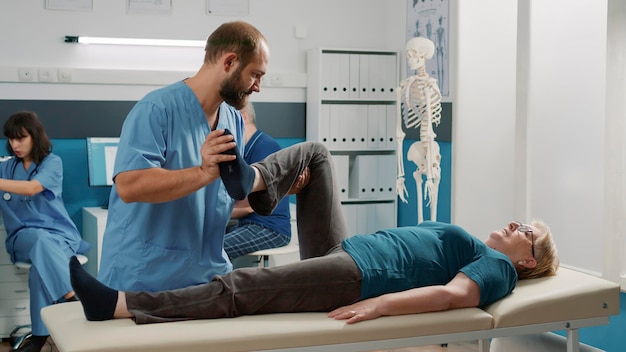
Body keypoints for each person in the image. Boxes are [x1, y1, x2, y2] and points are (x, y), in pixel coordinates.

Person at [69, 141, 560, 326]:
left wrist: (379, 305)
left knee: (248, 287)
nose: (515, 224)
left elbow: (456, 296)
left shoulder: (497, 268)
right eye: (521, 219)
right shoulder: (481, 245)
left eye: (527, 232)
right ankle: (254, 181)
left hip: (361, 277)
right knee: (317, 156)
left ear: (527, 261)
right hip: (347, 253)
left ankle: (119, 304)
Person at [97, 20, 270, 292]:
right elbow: (129, 187)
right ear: (230, 62)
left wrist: (278, 184)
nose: (257, 86)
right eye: (255, 75)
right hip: (146, 276)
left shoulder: (234, 121)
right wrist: (202, 173)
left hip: (208, 275)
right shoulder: (156, 109)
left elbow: (227, 194)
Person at [0, 112, 83, 352]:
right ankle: (72, 298)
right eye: (11, 139)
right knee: (39, 239)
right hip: (23, 237)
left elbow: (32, 188)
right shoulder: (6, 168)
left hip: (60, 236)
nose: (15, 145)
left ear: (34, 137)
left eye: (21, 138)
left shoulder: (51, 163)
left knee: (41, 264)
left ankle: (38, 338)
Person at [224, 101, 291, 260]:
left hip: (269, 228)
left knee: (213, 251)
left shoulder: (265, 148)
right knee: (199, 243)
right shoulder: (245, 149)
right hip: (248, 224)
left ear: (242, 117)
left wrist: (212, 213)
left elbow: (248, 206)